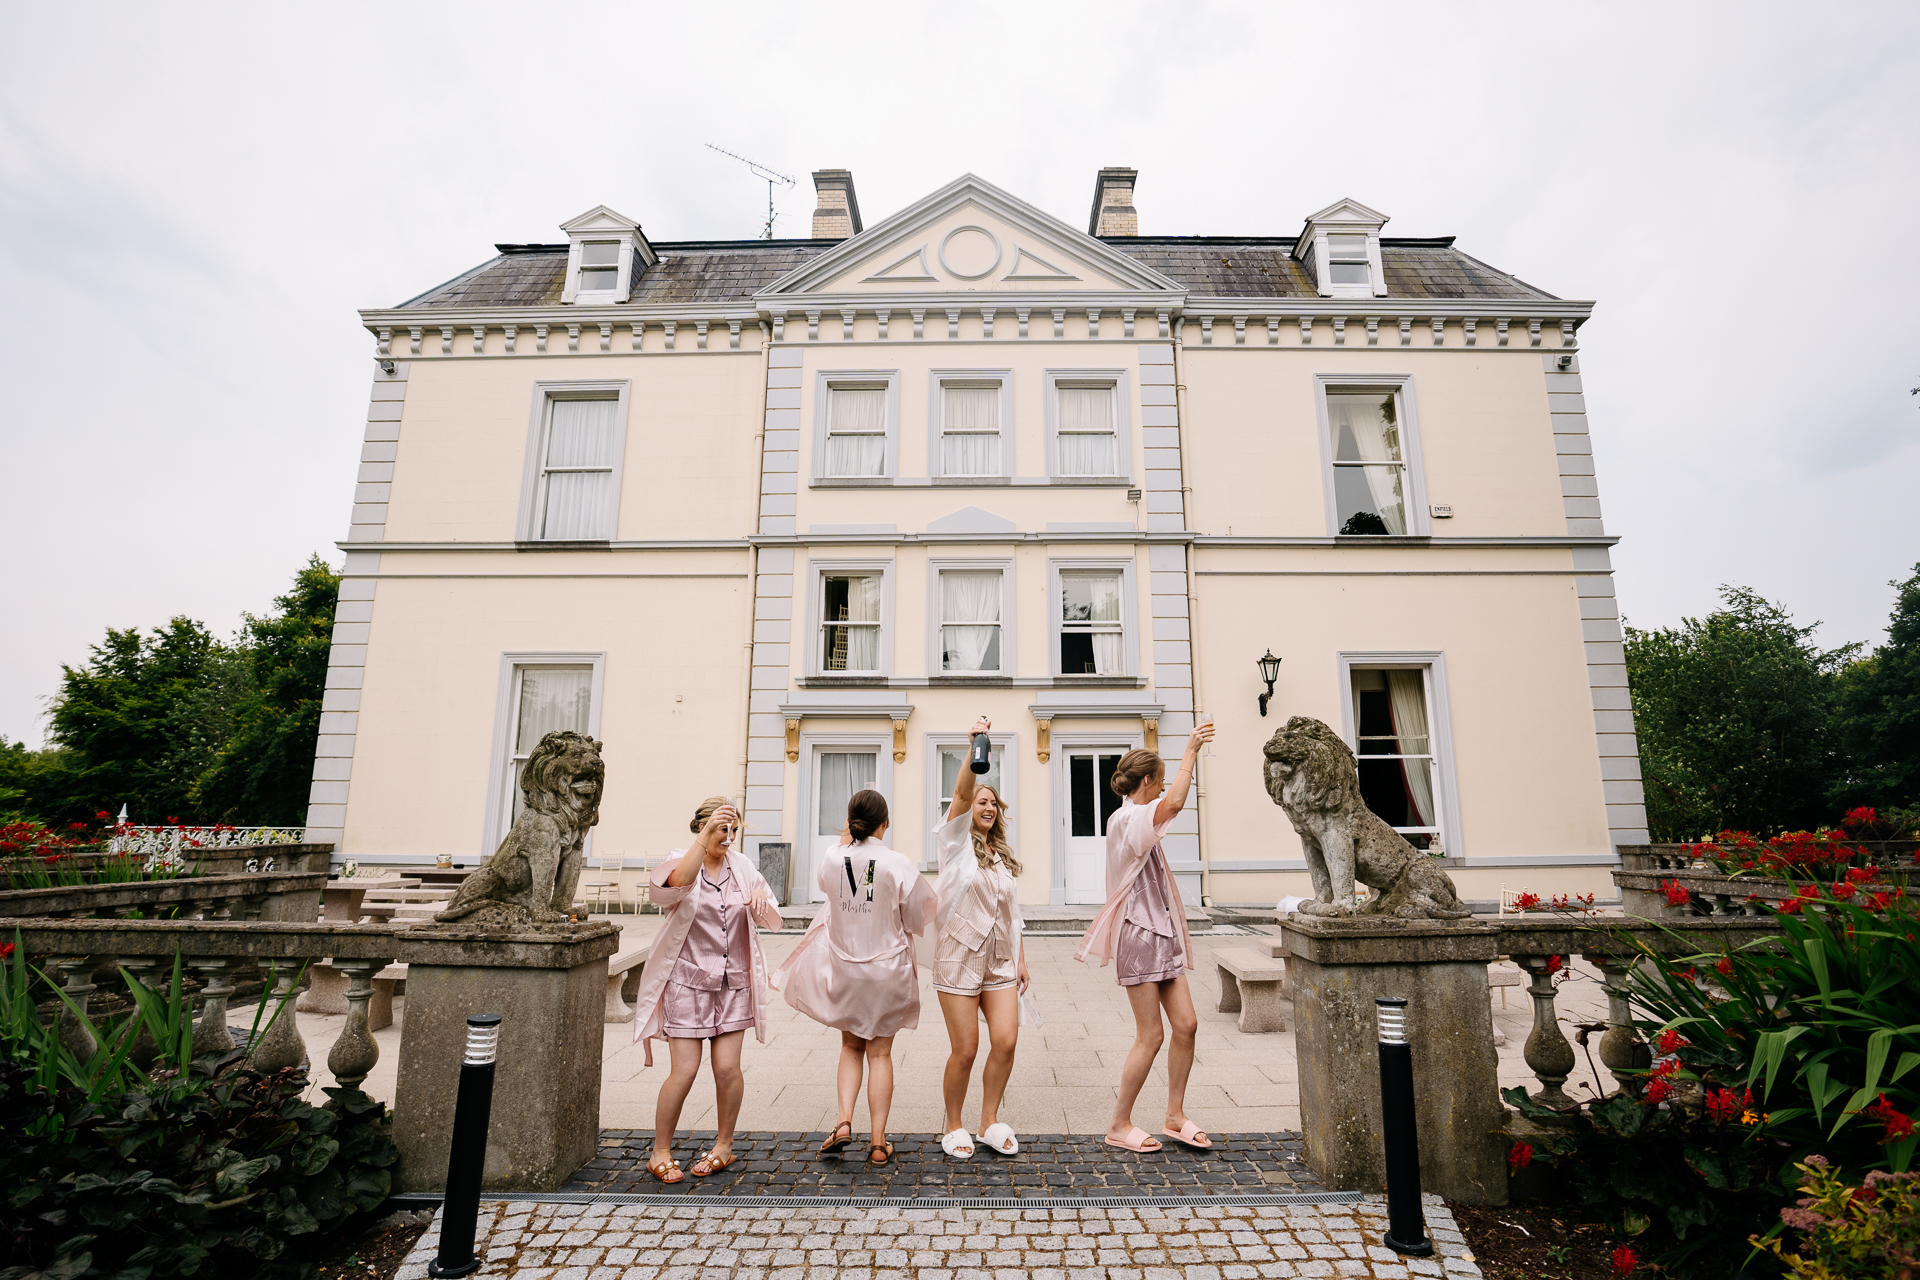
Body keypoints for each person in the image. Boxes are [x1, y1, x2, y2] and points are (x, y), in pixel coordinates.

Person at [1074, 724, 1217, 1153]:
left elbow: (1168, 804)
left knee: (1187, 1026)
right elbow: (1175, 801)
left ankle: (1174, 1115)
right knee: (1150, 1035)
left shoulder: (1137, 817)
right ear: (1148, 781)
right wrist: (1190, 749)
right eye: (1161, 776)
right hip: (1138, 935)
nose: (1164, 785)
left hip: (1162, 930)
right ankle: (1119, 1123)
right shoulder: (1128, 818)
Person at [776, 788, 936, 1167]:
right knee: (880, 1053)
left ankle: (843, 1121)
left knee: (850, 1047)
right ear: (886, 823)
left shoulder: (832, 858)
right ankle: (879, 1142)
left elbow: (824, 886)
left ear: (850, 822)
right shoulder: (898, 863)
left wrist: (847, 838)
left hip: (846, 966)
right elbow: (918, 917)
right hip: (886, 968)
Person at [628, 797, 783, 1184]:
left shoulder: (743, 867)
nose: (728, 837)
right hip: (689, 984)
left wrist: (760, 904)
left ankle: (724, 1146)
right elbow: (670, 890)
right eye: (721, 829)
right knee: (684, 1071)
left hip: (733, 984)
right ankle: (659, 1151)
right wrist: (703, 838)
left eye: (734, 830)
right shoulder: (682, 860)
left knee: (728, 1069)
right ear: (702, 828)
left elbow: (773, 919)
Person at [932, 716, 1030, 1159]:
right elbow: (960, 792)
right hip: (958, 956)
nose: (986, 806)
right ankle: (953, 1125)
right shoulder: (953, 845)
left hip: (1000, 960)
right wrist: (975, 751)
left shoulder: (1002, 857)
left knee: (1006, 1039)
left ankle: (988, 1120)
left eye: (993, 803)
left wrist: (1022, 960)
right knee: (966, 1048)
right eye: (981, 801)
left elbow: (1014, 916)